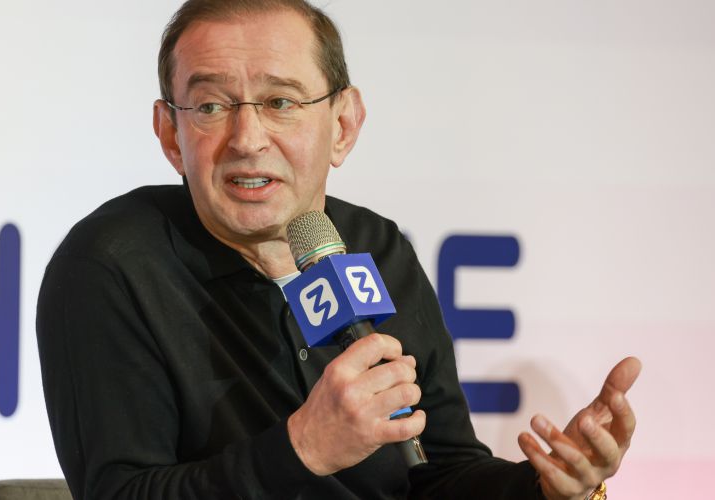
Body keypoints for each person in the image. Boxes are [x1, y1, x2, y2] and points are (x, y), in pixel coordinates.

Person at [36, 1, 641, 498]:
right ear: (171, 134)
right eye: (212, 106)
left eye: (280, 102)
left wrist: (546, 488)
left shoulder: (376, 248)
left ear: (344, 126)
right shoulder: (111, 267)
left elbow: (440, 473)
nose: (247, 139)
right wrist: (302, 448)